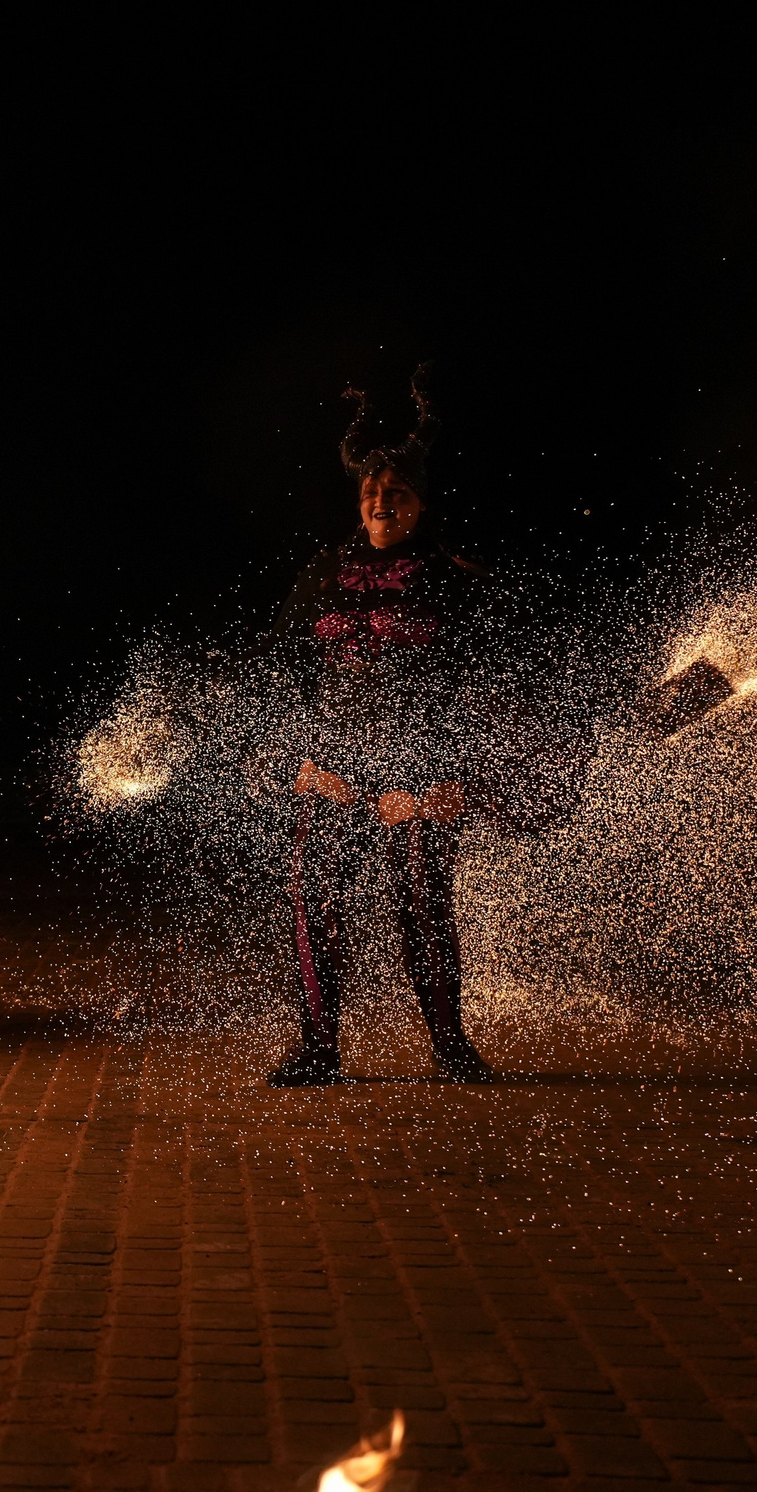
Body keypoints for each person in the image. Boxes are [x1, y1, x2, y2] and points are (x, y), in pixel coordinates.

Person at [263, 369, 495, 1086]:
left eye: (395, 493)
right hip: (336, 768)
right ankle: (319, 1047)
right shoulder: (324, 572)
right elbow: (277, 667)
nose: (381, 502)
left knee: (423, 898)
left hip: (417, 769)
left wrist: (451, 776)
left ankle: (451, 1046)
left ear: (420, 504)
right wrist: (296, 760)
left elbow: (483, 682)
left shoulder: (452, 578)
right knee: (314, 892)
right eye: (370, 493)